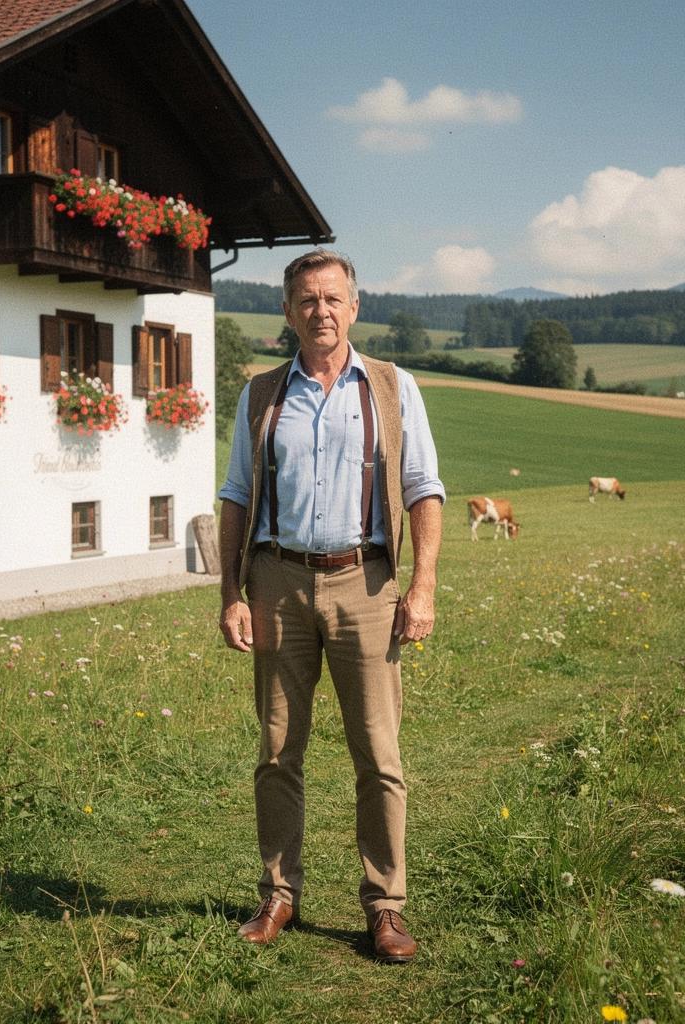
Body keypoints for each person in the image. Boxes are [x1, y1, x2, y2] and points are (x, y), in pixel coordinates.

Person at [217, 249, 445, 963]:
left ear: (354, 307)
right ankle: (278, 894)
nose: (321, 311)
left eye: (333, 298)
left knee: (378, 754)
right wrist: (230, 594)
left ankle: (385, 906)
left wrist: (423, 585)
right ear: (288, 312)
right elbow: (235, 495)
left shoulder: (392, 386)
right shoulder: (260, 393)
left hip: (366, 584)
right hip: (277, 581)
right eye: (307, 300)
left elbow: (423, 487)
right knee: (277, 750)